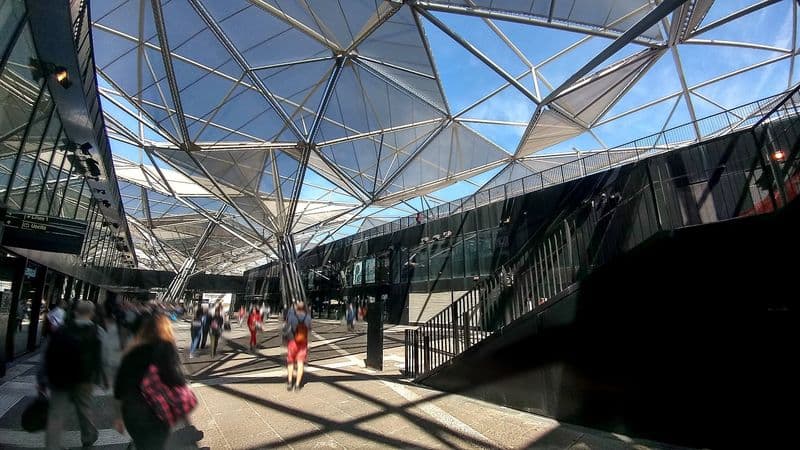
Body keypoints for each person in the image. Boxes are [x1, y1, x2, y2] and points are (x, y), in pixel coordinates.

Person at [114, 313, 187, 449]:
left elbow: (119, 388)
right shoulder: (168, 351)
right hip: (158, 411)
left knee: (141, 442)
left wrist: (118, 417)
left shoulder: (132, 351)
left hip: (132, 410)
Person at [38, 300, 102, 449]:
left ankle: (52, 445)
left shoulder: (61, 330)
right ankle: (89, 436)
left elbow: (47, 355)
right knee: (84, 408)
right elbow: (104, 358)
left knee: (56, 413)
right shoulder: (98, 331)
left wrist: (42, 379)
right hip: (85, 379)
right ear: (92, 314)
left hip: (60, 377)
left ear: (74, 312)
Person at [286, 301, 312, 391]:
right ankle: (297, 385)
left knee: (290, 362)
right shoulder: (308, 317)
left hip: (292, 342)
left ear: (296, 308)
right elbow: (309, 329)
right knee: (300, 363)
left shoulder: (292, 317)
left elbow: (288, 327)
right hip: (303, 343)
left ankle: (289, 383)